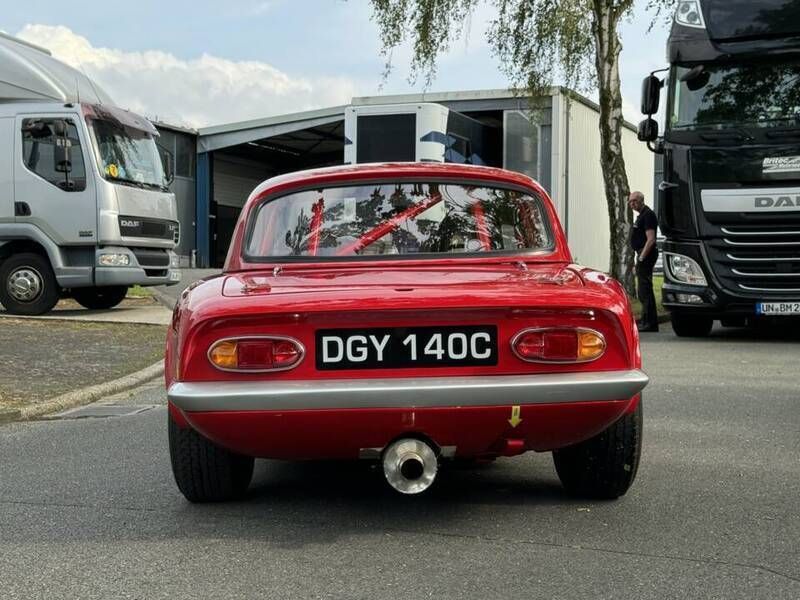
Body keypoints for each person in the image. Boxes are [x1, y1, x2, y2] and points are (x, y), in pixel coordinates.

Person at [629, 191, 659, 332]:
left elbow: (651, 239)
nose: (632, 204)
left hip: (645, 254)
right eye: (630, 201)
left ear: (641, 200)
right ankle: (647, 320)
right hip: (641, 253)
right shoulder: (641, 216)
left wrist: (641, 258)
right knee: (643, 290)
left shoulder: (648, 215)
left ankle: (649, 322)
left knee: (644, 289)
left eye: (634, 201)